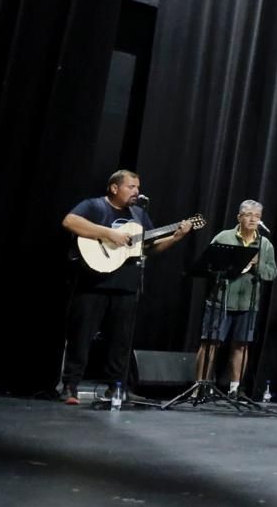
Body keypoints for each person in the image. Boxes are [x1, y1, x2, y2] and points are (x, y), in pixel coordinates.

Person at [59, 169, 193, 404]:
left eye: (138, 188)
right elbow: (70, 221)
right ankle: (69, 386)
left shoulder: (139, 215)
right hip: (94, 282)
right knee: (81, 337)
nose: (137, 191)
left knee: (120, 342)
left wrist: (175, 237)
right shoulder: (94, 206)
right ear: (114, 188)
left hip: (126, 286)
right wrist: (109, 233)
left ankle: (116, 388)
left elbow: (149, 248)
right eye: (131, 187)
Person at [196, 200, 277, 394]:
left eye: (257, 216)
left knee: (241, 344)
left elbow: (272, 273)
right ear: (239, 217)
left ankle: (235, 389)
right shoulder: (224, 238)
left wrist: (258, 265)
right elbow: (207, 265)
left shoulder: (264, 244)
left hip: (248, 303)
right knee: (210, 343)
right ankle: (199, 386)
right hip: (221, 300)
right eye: (249, 215)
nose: (253, 219)